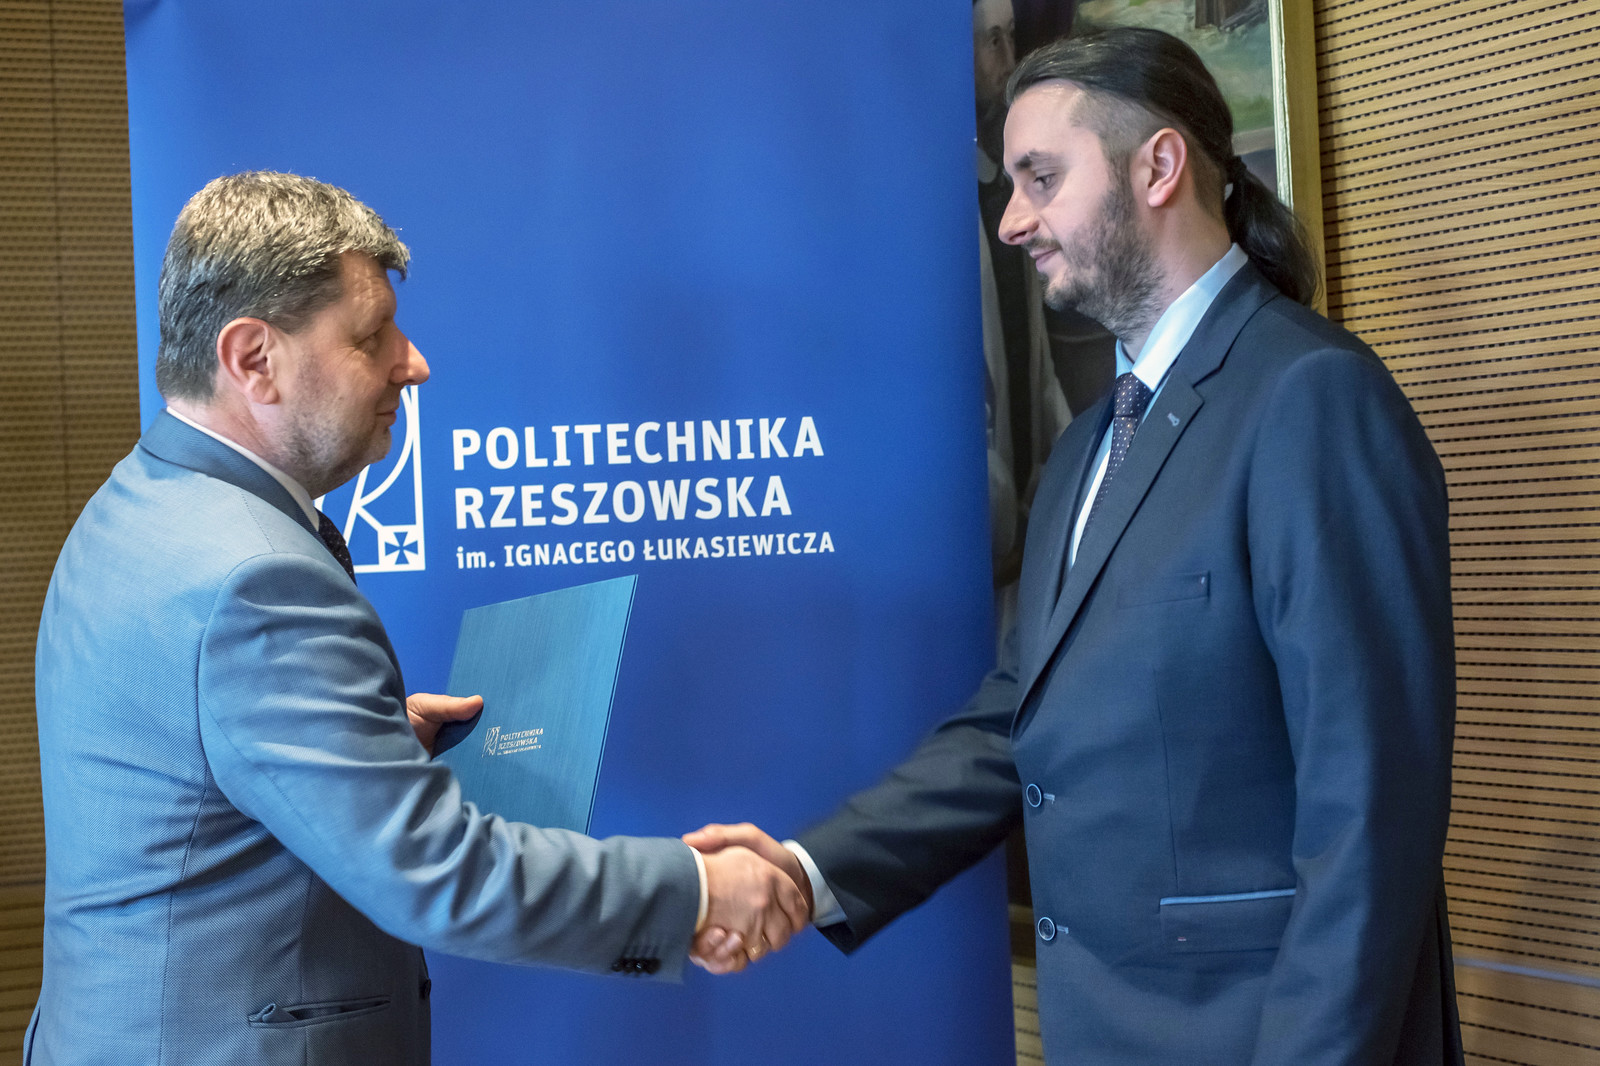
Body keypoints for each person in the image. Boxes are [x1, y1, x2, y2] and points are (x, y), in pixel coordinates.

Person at [689, 28, 1464, 1066]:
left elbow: (1369, 813)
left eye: (1041, 179)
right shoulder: (1089, 445)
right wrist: (803, 870)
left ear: (1159, 166)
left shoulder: (1312, 398)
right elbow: (1016, 720)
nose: (1013, 220)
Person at [27, 172, 806, 1066]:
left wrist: (361, 747)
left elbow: (193, 779)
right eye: (371, 337)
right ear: (252, 358)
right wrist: (695, 893)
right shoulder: (255, 578)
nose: (413, 363)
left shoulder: (140, 499)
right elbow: (438, 873)